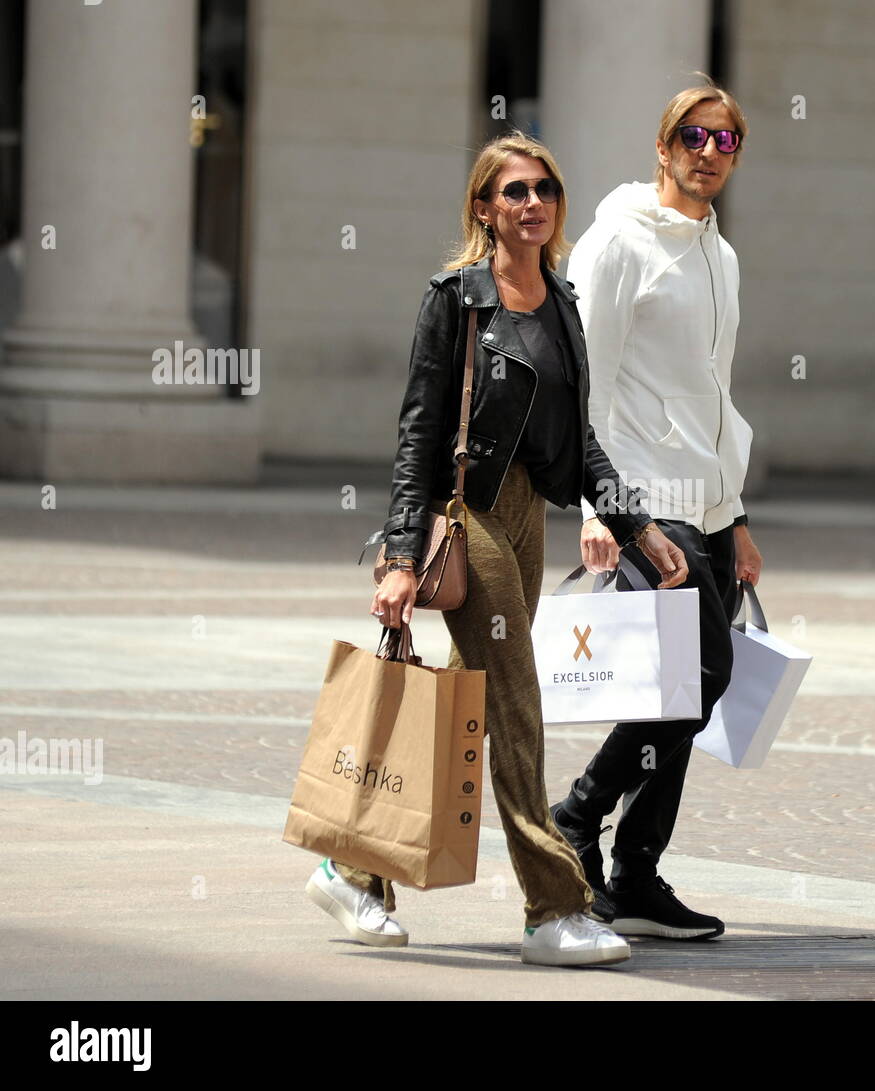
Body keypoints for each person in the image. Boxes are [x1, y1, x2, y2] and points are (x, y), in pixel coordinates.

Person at [305, 131, 690, 967]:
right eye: (514, 191)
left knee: (478, 696)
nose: (533, 203)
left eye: (545, 189)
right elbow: (418, 430)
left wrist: (637, 525)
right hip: (465, 508)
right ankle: (553, 905)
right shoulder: (457, 298)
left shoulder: (562, 302)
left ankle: (355, 867)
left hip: (526, 515)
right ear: (484, 207)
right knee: (516, 695)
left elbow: (579, 436)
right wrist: (403, 554)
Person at [548, 80, 761, 942]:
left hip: (704, 502)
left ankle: (636, 873)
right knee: (703, 671)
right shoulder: (616, 242)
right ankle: (577, 814)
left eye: (728, 141)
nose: (711, 153)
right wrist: (599, 505)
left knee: (685, 681)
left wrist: (736, 512)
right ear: (663, 145)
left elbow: (716, 391)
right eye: (696, 137)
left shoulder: (723, 254)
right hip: (639, 497)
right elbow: (581, 379)